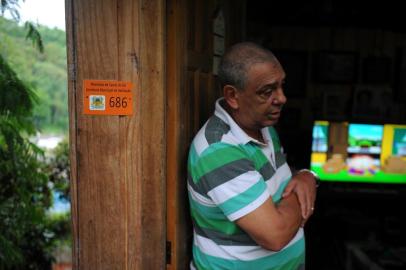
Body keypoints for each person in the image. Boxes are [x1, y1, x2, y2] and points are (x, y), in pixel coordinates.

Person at [187, 42, 318, 269]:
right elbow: (274, 235)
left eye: (281, 86)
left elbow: (278, 183)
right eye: (267, 91)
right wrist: (308, 186)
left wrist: (304, 175)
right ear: (232, 96)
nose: (282, 98)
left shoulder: (262, 126)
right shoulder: (219, 151)